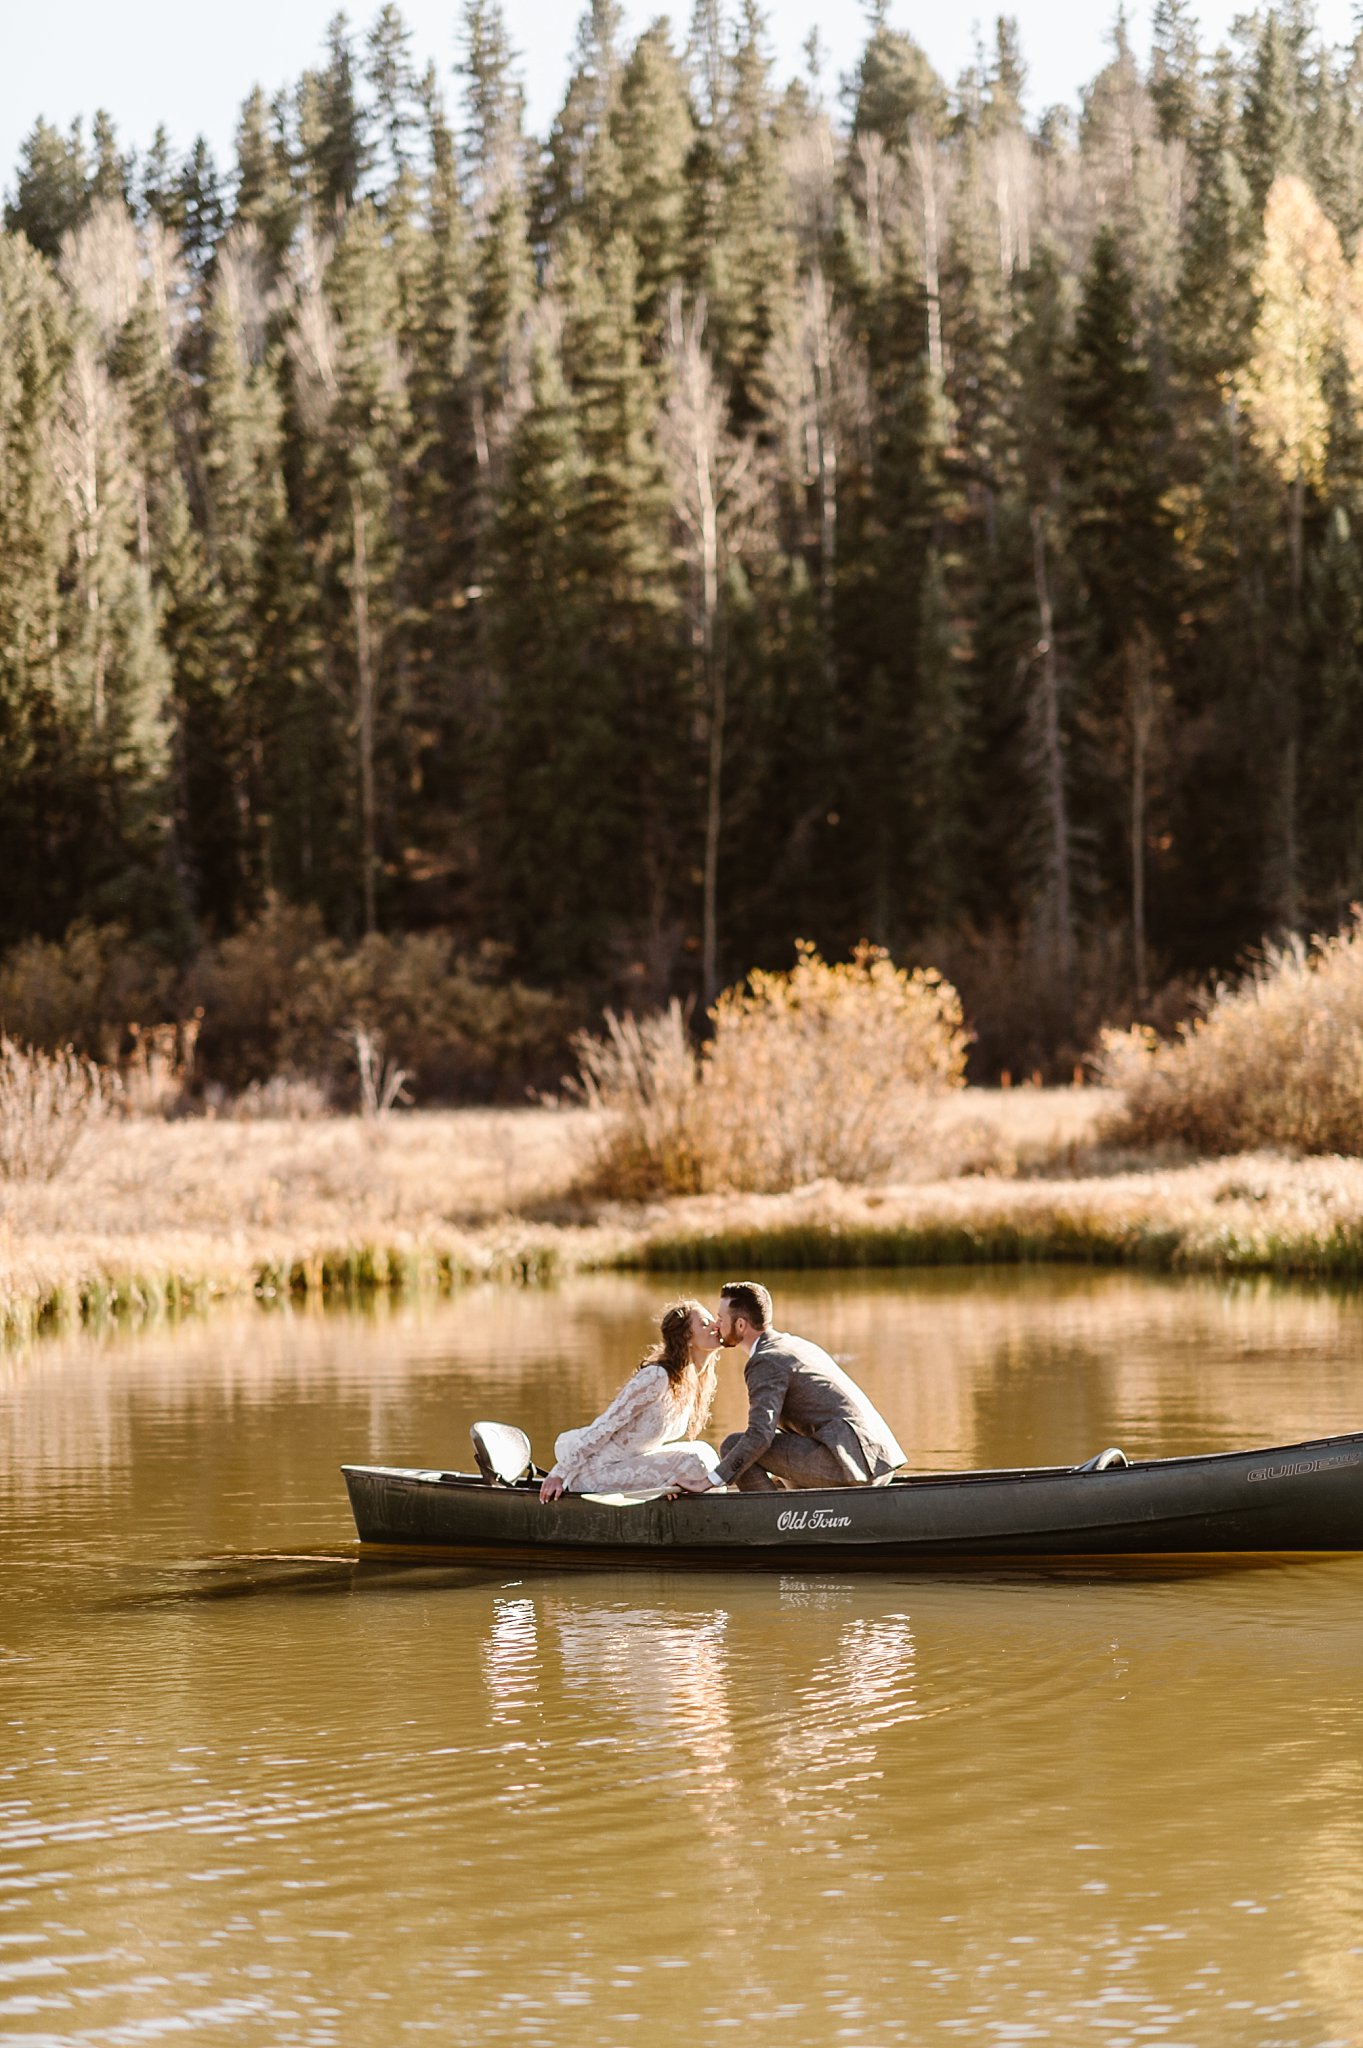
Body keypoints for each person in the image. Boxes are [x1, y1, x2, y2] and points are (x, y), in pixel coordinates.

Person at [693, 1280, 906, 1493]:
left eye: (721, 1318)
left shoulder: (766, 1360)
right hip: (878, 1463)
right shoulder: (795, 1345)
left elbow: (760, 1435)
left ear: (740, 1325)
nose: (716, 1325)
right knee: (763, 1453)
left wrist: (710, 1481)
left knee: (733, 1446)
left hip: (850, 1466)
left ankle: (774, 1520)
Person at [538, 1299, 723, 1501]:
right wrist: (558, 1473)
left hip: (632, 1463)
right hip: (597, 1473)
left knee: (704, 1451)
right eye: (705, 1323)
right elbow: (605, 1424)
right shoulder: (657, 1377)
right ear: (686, 1337)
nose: (715, 1326)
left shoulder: (691, 1379)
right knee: (694, 1463)